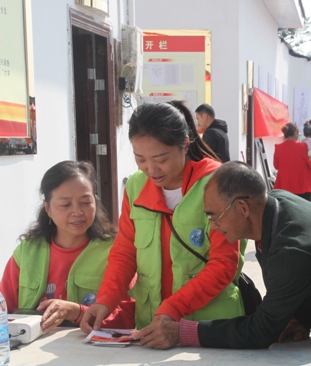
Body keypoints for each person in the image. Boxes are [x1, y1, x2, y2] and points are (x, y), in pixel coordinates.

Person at [135, 161, 311, 350]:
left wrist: (183, 332)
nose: (212, 227)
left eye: (214, 217)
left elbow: (260, 331)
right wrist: (295, 316)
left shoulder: (294, 249)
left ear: (243, 208)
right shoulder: (275, 204)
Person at [81, 101, 245, 345]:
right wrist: (105, 300)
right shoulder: (136, 186)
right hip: (151, 326)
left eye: (161, 158)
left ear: (185, 144)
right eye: (140, 159)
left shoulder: (216, 183)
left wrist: (173, 308)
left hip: (210, 329)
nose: (151, 169)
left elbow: (224, 264)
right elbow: (124, 252)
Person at [0, 160, 133, 332]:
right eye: (65, 205)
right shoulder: (27, 252)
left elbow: (128, 318)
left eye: (86, 202)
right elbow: (3, 308)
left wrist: (77, 312)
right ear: (47, 208)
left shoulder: (117, 252)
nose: (77, 212)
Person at [273, 122, 311, 201]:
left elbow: (276, 166)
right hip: (303, 186)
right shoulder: (303, 147)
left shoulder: (278, 147)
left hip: (284, 186)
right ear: (295, 132)